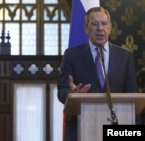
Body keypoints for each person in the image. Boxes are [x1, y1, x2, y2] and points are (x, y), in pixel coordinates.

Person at [57, 7, 138, 141]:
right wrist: (72, 95)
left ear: (110, 28)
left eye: (104, 23)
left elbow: (133, 98)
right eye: (94, 24)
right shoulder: (71, 55)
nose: (100, 28)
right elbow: (61, 91)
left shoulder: (125, 57)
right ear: (86, 28)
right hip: (81, 128)